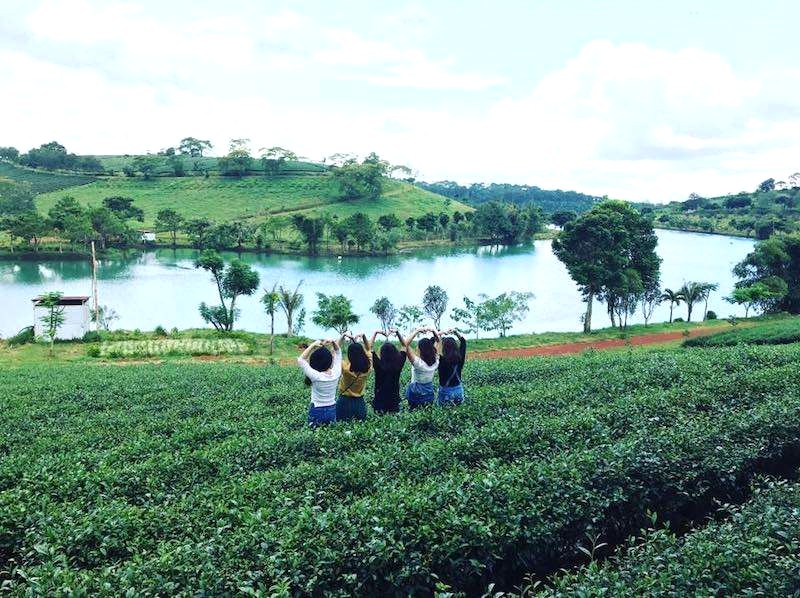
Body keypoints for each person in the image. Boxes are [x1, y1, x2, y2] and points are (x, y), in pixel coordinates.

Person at [297, 335, 343, 427]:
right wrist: (333, 342)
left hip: (317, 409)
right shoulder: (336, 372)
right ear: (330, 360)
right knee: (328, 435)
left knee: (314, 436)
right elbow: (338, 353)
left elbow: (301, 360)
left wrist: (313, 345)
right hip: (332, 409)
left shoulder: (316, 376)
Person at [336, 332, 373, 422]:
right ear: (362, 353)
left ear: (349, 355)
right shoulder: (369, 367)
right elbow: (369, 349)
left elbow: (335, 351)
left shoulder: (345, 369)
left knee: (342, 427)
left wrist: (343, 336)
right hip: (360, 402)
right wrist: (364, 336)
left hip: (344, 401)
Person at [371, 329, 407, 414]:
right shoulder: (399, 363)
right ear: (395, 352)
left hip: (380, 399)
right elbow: (405, 346)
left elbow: (370, 347)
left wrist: (375, 333)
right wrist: (397, 332)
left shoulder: (378, 365)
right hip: (394, 398)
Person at [403, 327, 440, 410]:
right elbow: (438, 341)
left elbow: (405, 344)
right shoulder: (436, 361)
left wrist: (417, 331)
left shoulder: (418, 363)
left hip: (415, 395)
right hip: (428, 395)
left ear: (420, 350)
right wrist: (433, 331)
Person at [437, 328, 467, 406]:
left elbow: (434, 349)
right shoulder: (460, 357)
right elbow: (463, 342)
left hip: (445, 391)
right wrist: (455, 332)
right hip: (458, 390)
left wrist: (440, 334)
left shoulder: (442, 360)